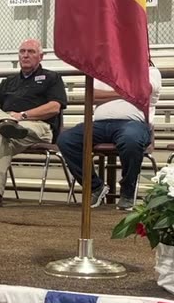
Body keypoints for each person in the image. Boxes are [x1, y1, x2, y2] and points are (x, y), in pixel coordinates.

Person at [0, 39, 68, 207]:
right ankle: (6, 123)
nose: (25, 55)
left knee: (1, 132)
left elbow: (54, 107)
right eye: (22, 51)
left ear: (41, 56)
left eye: (31, 52)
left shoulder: (52, 78)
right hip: (10, 125)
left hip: (38, 126)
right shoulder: (9, 81)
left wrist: (22, 116)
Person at [58, 62, 161, 210]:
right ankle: (95, 187)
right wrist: (126, 92)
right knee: (67, 140)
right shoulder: (105, 71)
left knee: (131, 140)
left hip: (133, 123)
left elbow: (142, 91)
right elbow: (91, 95)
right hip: (99, 124)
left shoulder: (150, 71)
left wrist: (110, 93)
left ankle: (127, 191)